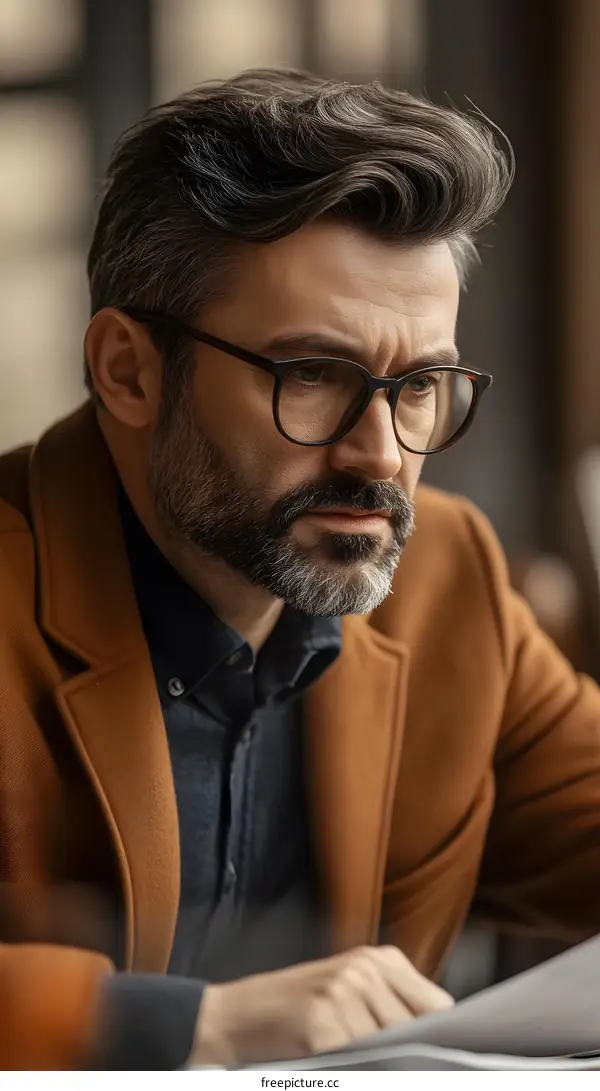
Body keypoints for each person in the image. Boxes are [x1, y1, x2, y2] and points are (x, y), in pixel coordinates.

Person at [1, 67, 599, 1072]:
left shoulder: (448, 575)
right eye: (313, 376)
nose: (381, 455)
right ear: (127, 370)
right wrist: (192, 1027)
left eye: (419, 386)